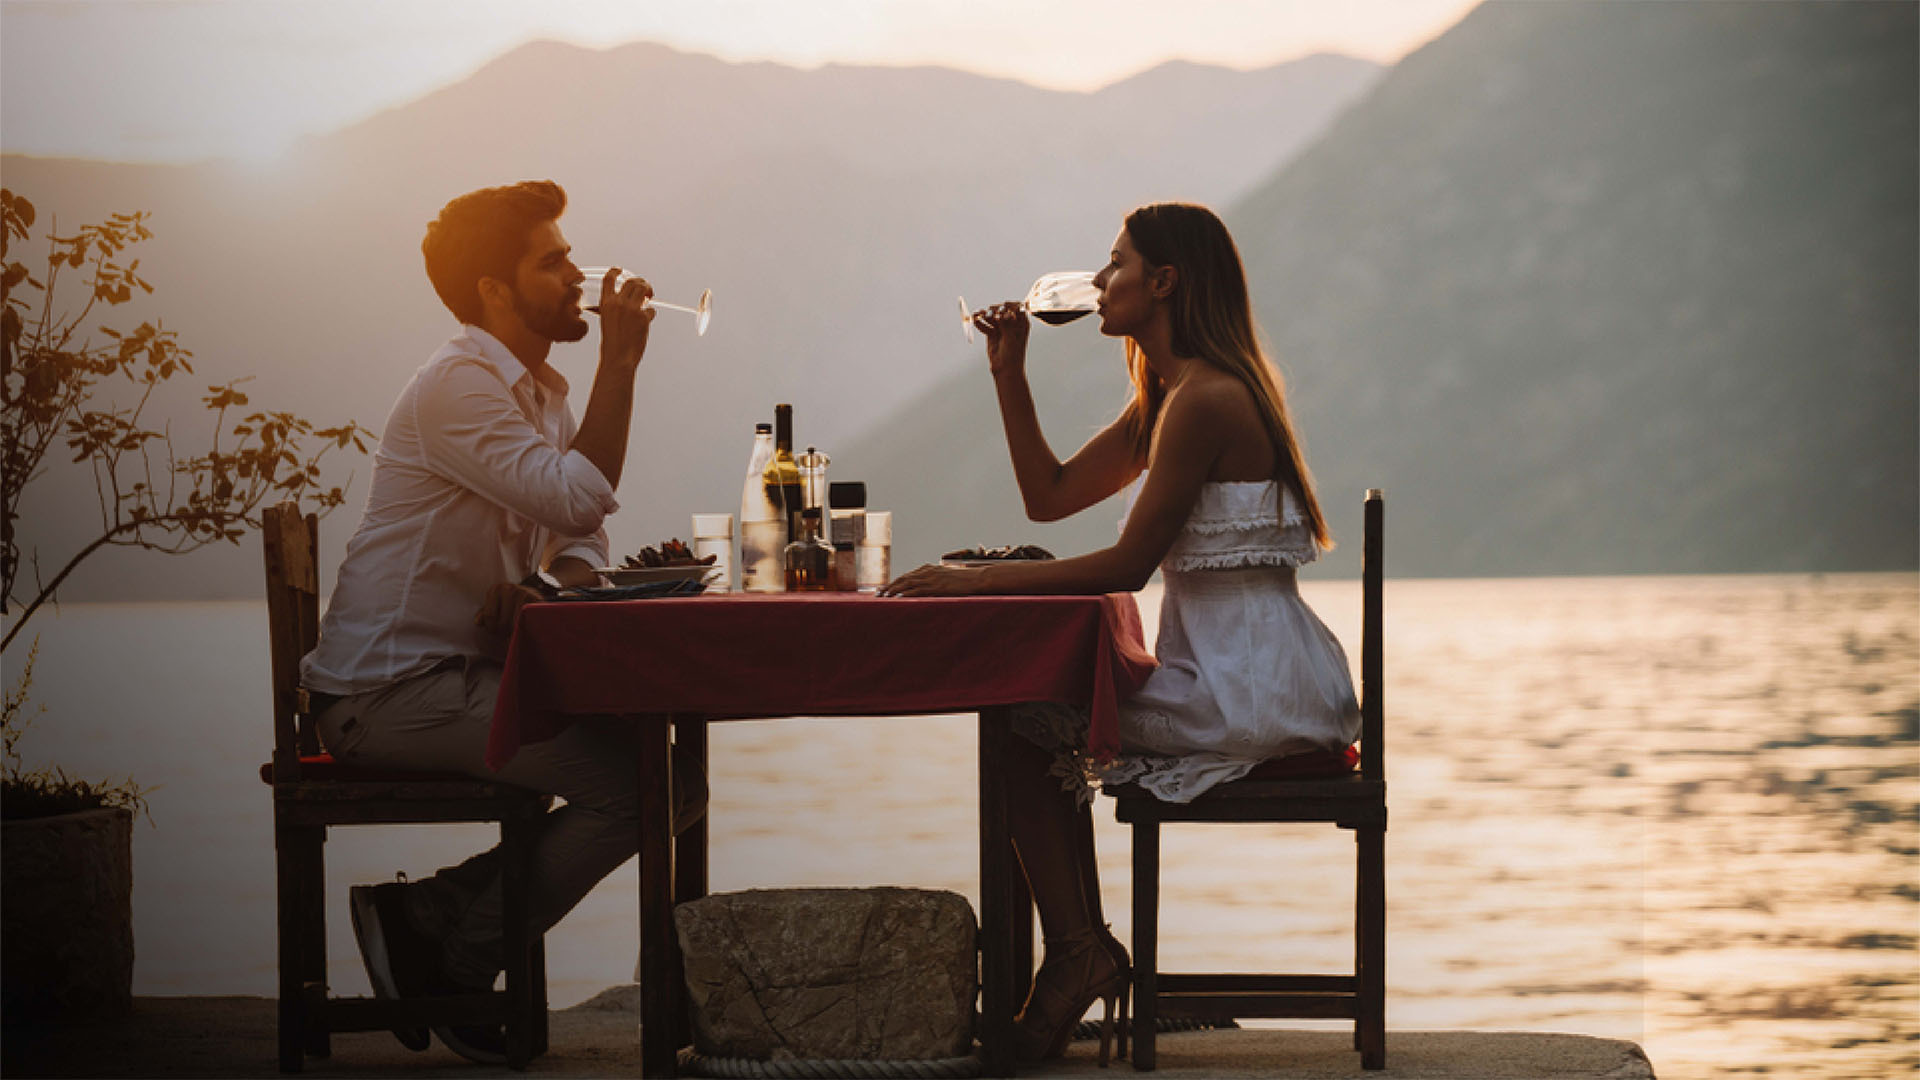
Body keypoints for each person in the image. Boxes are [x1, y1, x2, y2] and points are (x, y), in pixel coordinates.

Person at [883, 203, 1361, 1062]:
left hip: (1248, 689)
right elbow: (1052, 496)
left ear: (1164, 283)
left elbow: (1126, 565)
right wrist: (1008, 375)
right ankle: (1081, 948)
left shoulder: (1207, 398)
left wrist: (975, 581)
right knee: (1034, 713)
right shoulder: (1175, 397)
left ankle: (1076, 954)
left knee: (1022, 717)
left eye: (1115, 266)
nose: (1099, 284)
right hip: (1235, 672)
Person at [298, 180, 704, 1064]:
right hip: (385, 692)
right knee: (646, 792)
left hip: (460, 679)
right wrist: (623, 362)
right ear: (492, 288)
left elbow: (583, 532)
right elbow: (582, 492)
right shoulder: (459, 386)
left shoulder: (538, 394)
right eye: (551, 261)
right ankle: (452, 949)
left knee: (669, 785)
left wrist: (551, 583)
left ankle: (430, 914)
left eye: (569, 256)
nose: (576, 276)